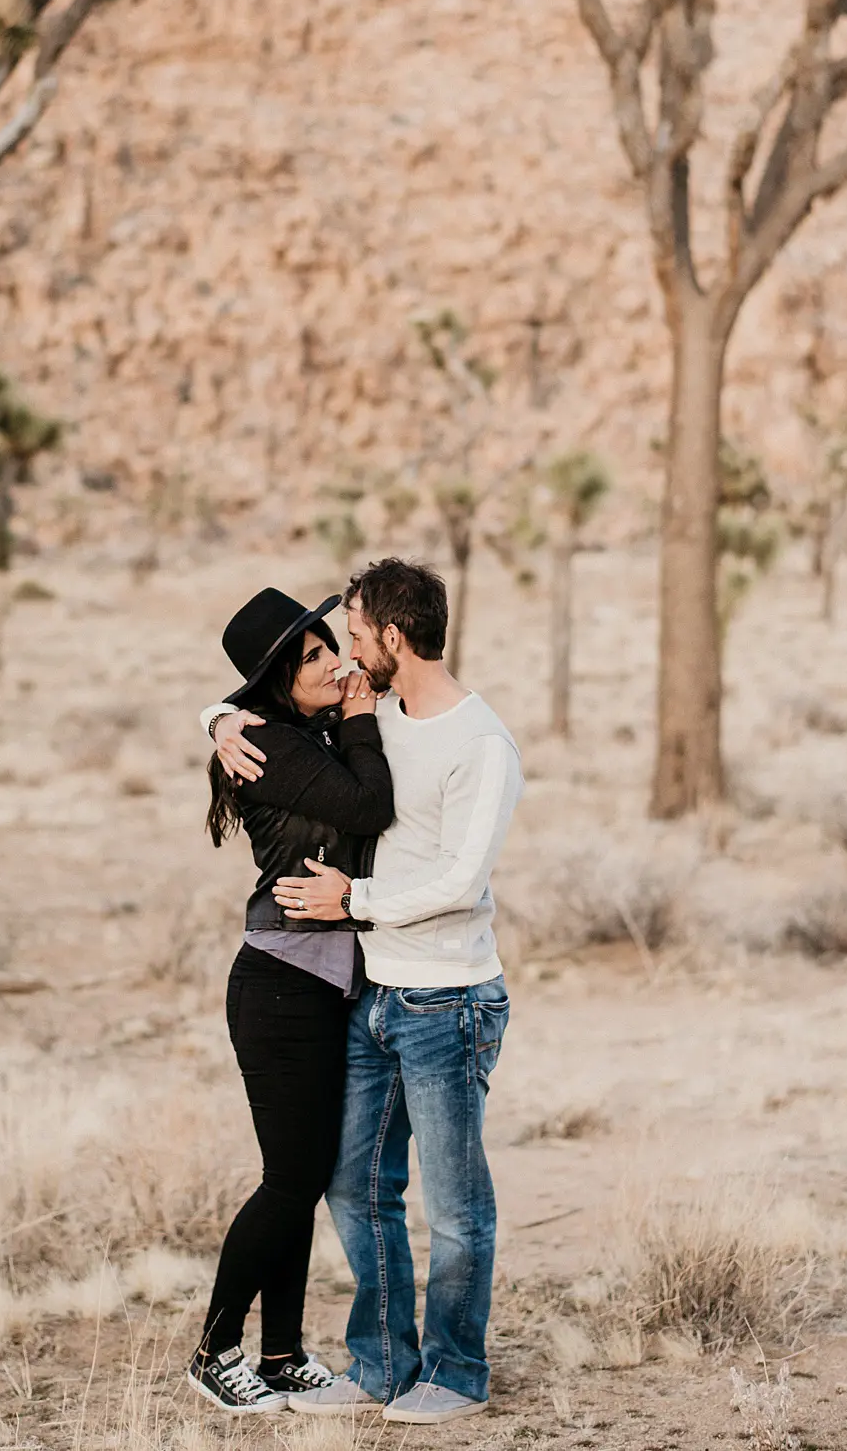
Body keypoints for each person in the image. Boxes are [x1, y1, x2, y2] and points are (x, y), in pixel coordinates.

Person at [205, 558, 522, 1425]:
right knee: (352, 1186)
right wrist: (219, 717)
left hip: (448, 1000)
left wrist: (357, 901)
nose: (345, 657)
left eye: (352, 637)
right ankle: (381, 1365)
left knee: (455, 1206)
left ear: (392, 636)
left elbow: (461, 881)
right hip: (372, 992)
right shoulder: (374, 713)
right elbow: (282, 719)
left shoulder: (482, 744)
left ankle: (455, 1374)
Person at [188, 585, 394, 1415]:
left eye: (326, 642)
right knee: (289, 1179)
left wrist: (214, 714)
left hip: (316, 985)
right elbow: (369, 805)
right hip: (280, 987)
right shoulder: (272, 742)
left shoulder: (281, 731)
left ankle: (280, 1353)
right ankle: (214, 1350)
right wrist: (357, 716)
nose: (333, 659)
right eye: (313, 656)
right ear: (277, 682)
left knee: (301, 1178)